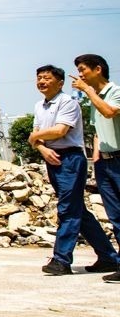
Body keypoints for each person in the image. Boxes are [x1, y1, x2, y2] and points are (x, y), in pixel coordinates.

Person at [28, 62, 120, 275]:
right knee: (78, 210)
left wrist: (36, 138)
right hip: (52, 159)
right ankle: (109, 257)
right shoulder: (39, 106)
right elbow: (37, 133)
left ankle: (61, 260)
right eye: (39, 78)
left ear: (60, 83)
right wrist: (41, 147)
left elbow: (60, 130)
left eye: (47, 78)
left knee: (68, 209)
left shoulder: (68, 102)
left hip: (70, 159)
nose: (42, 81)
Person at [71, 53, 120, 283]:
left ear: (97, 69)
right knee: (115, 216)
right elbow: (98, 129)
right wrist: (97, 158)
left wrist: (88, 91)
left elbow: (109, 112)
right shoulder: (95, 97)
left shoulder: (115, 92)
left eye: (83, 70)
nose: (80, 75)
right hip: (105, 163)